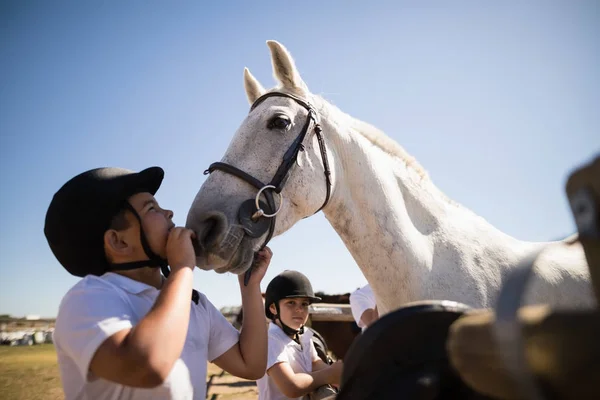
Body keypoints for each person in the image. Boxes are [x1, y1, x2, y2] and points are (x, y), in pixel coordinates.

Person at [44, 166, 271, 400]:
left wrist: (250, 287)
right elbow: (144, 367)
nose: (169, 212)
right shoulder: (87, 298)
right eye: (152, 208)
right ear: (118, 242)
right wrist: (182, 268)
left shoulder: (193, 302)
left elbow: (250, 365)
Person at [257, 270, 343, 400]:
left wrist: (343, 376)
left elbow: (315, 364)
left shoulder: (305, 336)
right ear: (273, 308)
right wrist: (330, 374)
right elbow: (291, 387)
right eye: (291, 303)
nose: (299, 309)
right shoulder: (271, 341)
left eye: (304, 304)